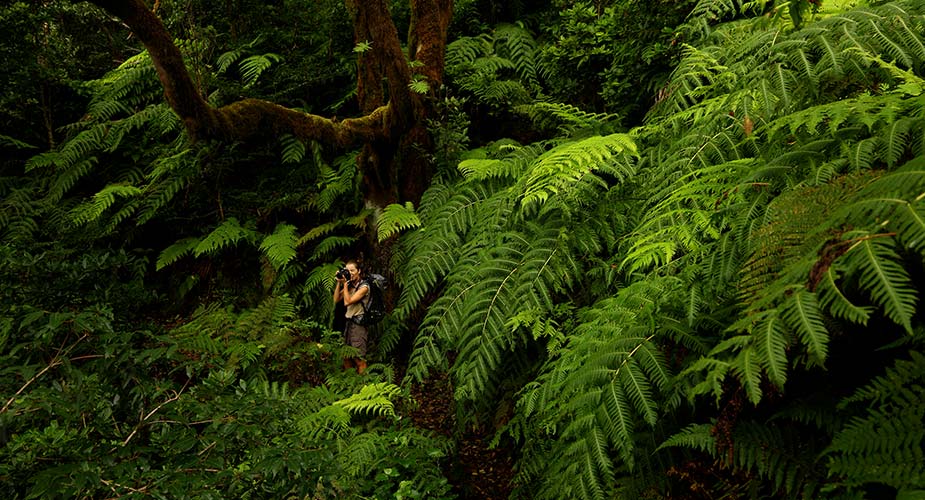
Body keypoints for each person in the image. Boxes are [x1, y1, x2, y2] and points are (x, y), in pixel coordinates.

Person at [333, 260, 370, 374]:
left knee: (359, 358)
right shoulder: (350, 285)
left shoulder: (364, 287)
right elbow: (336, 300)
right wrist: (339, 283)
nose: (350, 273)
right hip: (348, 323)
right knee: (346, 356)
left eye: (352, 270)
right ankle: (350, 383)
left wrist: (345, 284)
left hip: (359, 325)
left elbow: (347, 302)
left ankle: (363, 387)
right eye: (347, 271)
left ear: (358, 271)